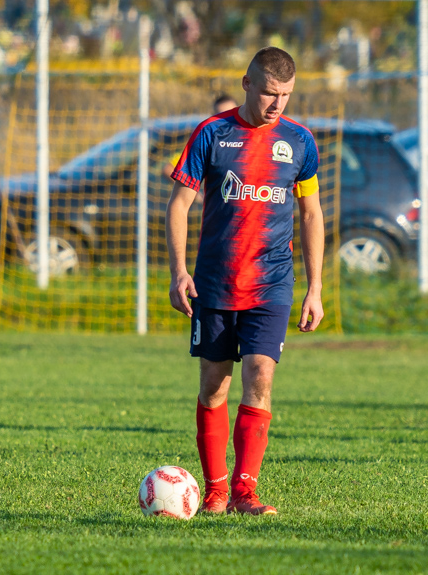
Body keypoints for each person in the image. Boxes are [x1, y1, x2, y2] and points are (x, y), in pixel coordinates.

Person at [165, 47, 324, 515]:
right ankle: (214, 491)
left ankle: (244, 492)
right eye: (272, 94)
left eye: (288, 96)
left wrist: (315, 288)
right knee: (214, 386)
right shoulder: (211, 135)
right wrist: (179, 273)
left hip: (272, 283)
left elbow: (311, 212)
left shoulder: (299, 142)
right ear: (247, 84)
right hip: (215, 284)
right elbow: (179, 205)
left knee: (260, 377)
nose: (279, 105)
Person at [162, 94, 238, 180]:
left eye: (230, 114)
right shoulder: (206, 142)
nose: (227, 120)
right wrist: (196, 193)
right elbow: (169, 168)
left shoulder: (250, 137)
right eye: (221, 116)